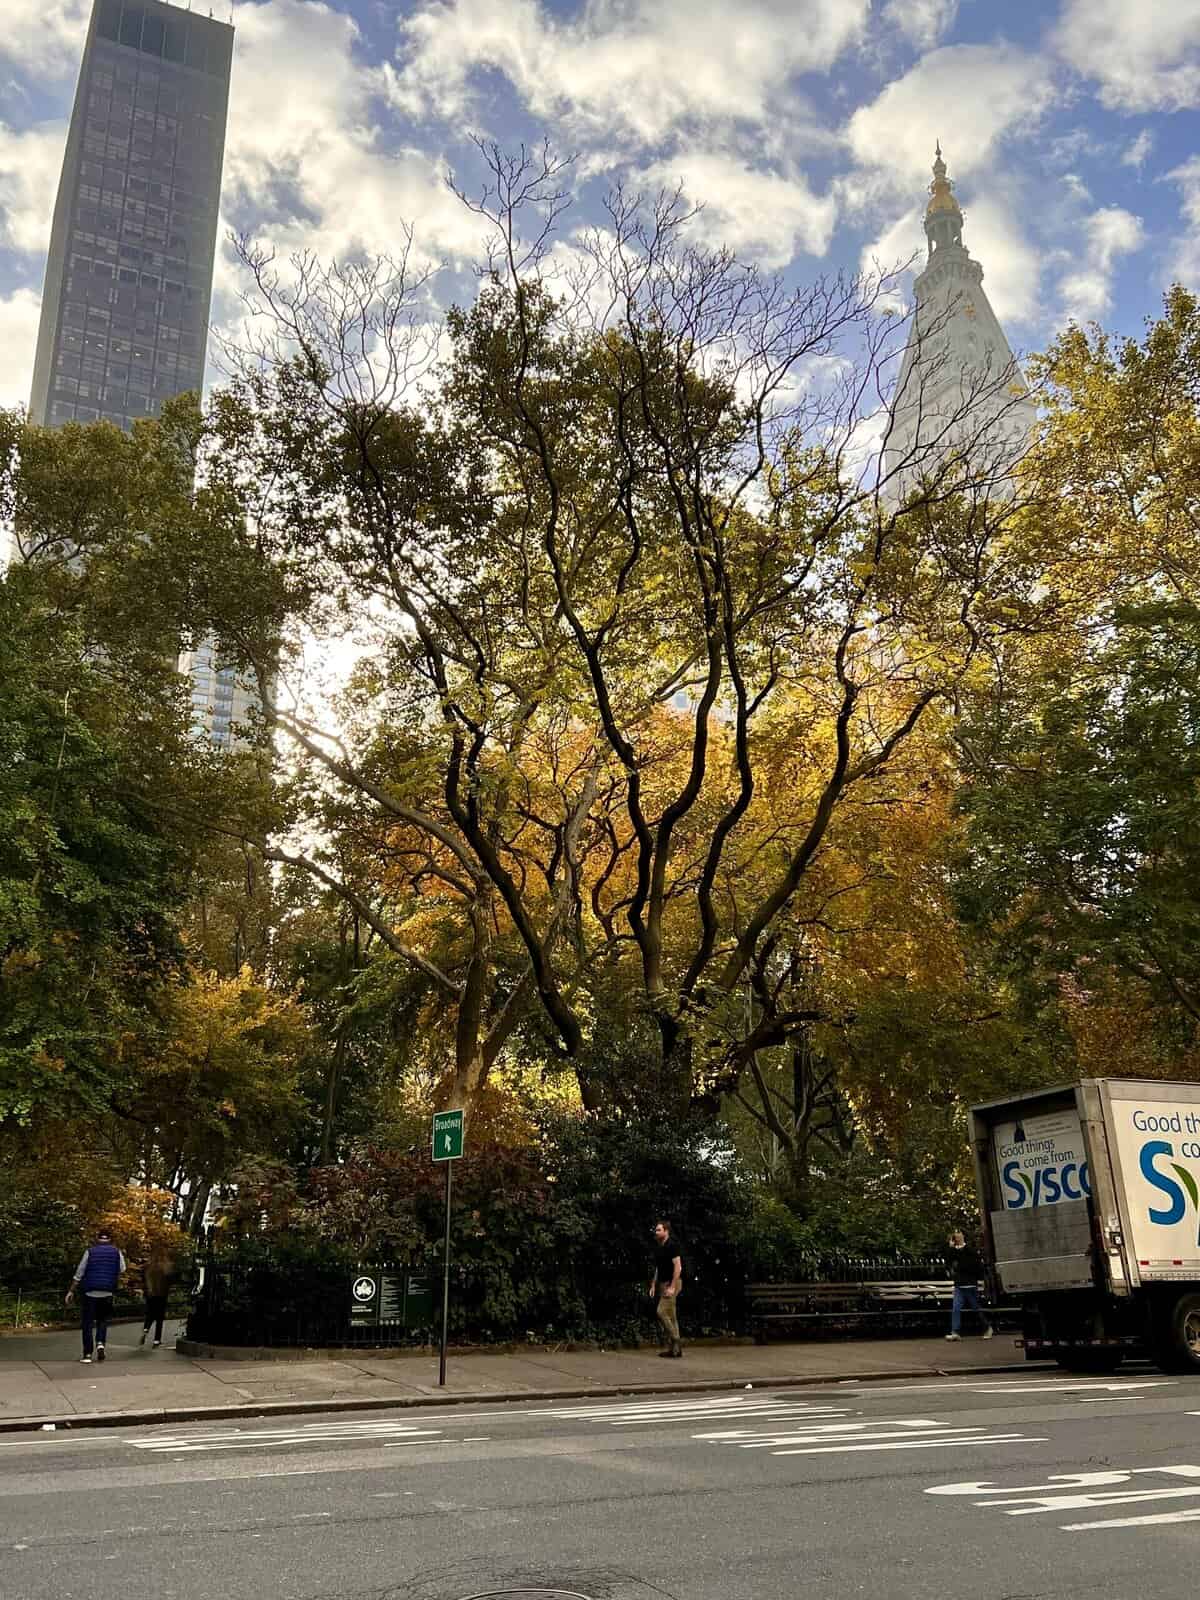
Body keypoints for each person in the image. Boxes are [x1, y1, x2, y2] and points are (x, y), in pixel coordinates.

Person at [65, 1229, 126, 1363]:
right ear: (110, 1239)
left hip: (90, 1292)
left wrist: (71, 1291)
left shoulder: (90, 1252)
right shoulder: (117, 1252)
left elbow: (79, 1273)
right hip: (108, 1291)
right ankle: (100, 1343)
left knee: (87, 1323)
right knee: (102, 1320)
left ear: (98, 1239)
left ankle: (87, 1354)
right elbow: (122, 1269)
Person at [945, 1229, 994, 1341]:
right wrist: (951, 1248)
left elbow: (970, 1264)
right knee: (956, 1308)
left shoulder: (969, 1250)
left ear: (963, 1235)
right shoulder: (954, 1250)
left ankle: (988, 1328)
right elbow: (949, 1262)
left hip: (970, 1285)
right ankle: (955, 1332)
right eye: (955, 1233)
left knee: (976, 1308)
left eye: (959, 1232)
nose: (956, 1234)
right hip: (959, 1285)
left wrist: (958, 1266)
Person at [649, 1219, 684, 1358]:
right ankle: (675, 1350)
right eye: (656, 1230)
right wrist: (653, 1284)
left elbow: (678, 1267)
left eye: (659, 1230)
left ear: (666, 1231)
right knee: (672, 1316)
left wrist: (672, 1287)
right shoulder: (659, 1247)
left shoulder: (672, 1245)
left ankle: (676, 1339)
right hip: (663, 1284)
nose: (656, 1232)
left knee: (661, 1311)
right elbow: (658, 1268)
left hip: (673, 1283)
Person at [139, 1243, 175, 1349]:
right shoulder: (167, 1267)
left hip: (150, 1294)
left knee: (150, 1314)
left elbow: (143, 1279)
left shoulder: (149, 1266)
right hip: (162, 1294)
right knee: (159, 1318)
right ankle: (156, 1340)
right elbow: (170, 1280)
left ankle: (146, 1329)